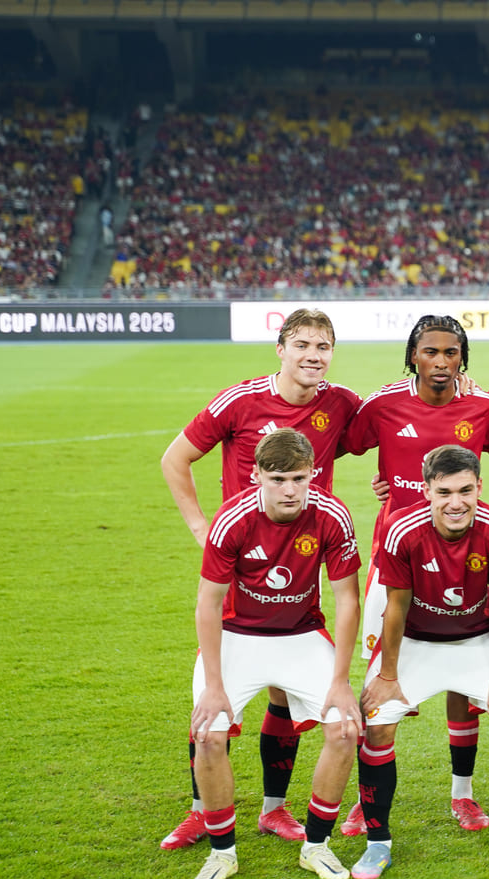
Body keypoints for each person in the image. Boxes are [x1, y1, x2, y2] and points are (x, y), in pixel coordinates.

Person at [159, 308, 361, 851]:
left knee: (283, 694)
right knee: (214, 698)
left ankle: (275, 809)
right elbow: (175, 459)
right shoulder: (240, 401)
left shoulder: (341, 404)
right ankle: (201, 812)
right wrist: (201, 527)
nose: (313, 355)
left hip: (301, 561)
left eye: (322, 346)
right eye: (302, 345)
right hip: (239, 561)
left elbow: (393, 428)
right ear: (281, 349)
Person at [339, 315, 489, 835]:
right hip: (395, 563)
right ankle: (364, 799)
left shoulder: (482, 407)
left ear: (463, 358)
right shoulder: (383, 404)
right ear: (413, 354)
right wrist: (386, 484)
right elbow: (335, 446)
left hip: (466, 561)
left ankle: (463, 795)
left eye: (451, 353)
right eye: (430, 351)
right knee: (379, 679)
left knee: (463, 680)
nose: (440, 361)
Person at [186, 428, 363, 879]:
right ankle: (222, 854)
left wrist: (341, 681)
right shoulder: (232, 519)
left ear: (313, 474)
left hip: (300, 635)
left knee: (346, 728)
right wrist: (214, 685)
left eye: (299, 479)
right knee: (208, 735)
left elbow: (348, 600)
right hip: (236, 636)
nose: (289, 490)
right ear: (257, 476)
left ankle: (317, 845)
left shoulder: (332, 515)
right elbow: (208, 603)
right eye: (278, 479)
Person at [352, 445, 489, 877]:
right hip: (415, 642)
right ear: (426, 491)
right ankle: (377, 844)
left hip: (476, 641)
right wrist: (388, 675)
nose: (456, 503)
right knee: (377, 725)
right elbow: (396, 607)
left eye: (465, 491)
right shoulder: (401, 528)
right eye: (445, 492)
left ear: (479, 487)